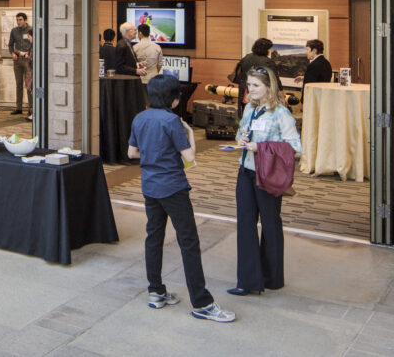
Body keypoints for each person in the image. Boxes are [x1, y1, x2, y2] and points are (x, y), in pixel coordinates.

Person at [128, 74, 235, 323]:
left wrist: (153, 152)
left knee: (154, 237)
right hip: (173, 188)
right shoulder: (172, 121)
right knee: (189, 242)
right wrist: (189, 133)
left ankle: (155, 291)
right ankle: (202, 302)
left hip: (150, 186)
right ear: (174, 99)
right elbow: (189, 159)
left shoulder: (140, 118)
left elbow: (131, 152)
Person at [230, 66, 302, 296]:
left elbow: (295, 148)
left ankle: (272, 277)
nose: (250, 90)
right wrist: (240, 138)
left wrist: (260, 148)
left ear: (269, 88)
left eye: (255, 86)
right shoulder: (249, 109)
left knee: (270, 225)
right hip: (246, 172)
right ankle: (248, 281)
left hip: (268, 175)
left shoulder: (281, 114)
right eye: (249, 85)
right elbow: (242, 132)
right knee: (245, 224)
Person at [230, 38, 281, 113]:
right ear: (266, 49)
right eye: (270, 48)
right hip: (261, 94)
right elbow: (276, 81)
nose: (270, 51)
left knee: (246, 113)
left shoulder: (247, 57)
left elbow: (240, 72)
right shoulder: (268, 62)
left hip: (245, 92)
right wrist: (281, 96)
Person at [9, 12, 33, 115]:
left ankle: (31, 109)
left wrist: (30, 52)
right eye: (17, 20)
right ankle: (19, 107)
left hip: (28, 59)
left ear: (25, 20)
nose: (18, 22)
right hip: (18, 60)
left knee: (29, 84)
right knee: (18, 84)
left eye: (20, 20)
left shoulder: (31, 30)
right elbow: (10, 45)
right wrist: (12, 53)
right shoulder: (14, 31)